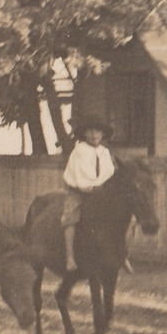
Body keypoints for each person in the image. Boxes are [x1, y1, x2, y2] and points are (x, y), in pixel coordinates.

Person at [62, 116, 116, 272]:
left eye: (98, 131)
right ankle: (70, 257)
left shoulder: (104, 152)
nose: (94, 134)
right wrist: (92, 188)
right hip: (79, 191)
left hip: (99, 192)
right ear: (84, 134)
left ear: (103, 134)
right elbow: (81, 175)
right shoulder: (79, 150)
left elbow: (108, 172)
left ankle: (120, 253)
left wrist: (104, 187)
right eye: (90, 131)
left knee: (118, 215)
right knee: (70, 218)